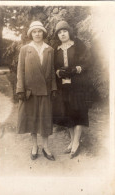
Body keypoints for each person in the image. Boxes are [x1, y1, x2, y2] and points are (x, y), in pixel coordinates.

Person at [16, 21, 57, 161]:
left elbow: (51, 71)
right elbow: (20, 71)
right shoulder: (25, 49)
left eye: (39, 31)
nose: (37, 34)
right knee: (32, 120)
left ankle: (45, 147)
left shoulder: (49, 49)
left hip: (45, 91)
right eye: (34, 31)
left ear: (43, 33)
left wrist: (54, 88)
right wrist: (20, 89)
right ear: (30, 34)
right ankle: (35, 147)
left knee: (45, 120)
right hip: (30, 92)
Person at [54, 21, 91, 159]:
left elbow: (88, 61)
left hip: (78, 85)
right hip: (64, 87)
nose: (62, 34)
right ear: (57, 35)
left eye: (64, 31)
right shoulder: (56, 49)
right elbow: (54, 68)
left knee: (79, 111)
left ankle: (76, 143)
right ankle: (71, 141)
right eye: (59, 32)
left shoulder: (78, 45)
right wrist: (58, 72)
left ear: (69, 32)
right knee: (68, 113)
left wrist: (76, 69)